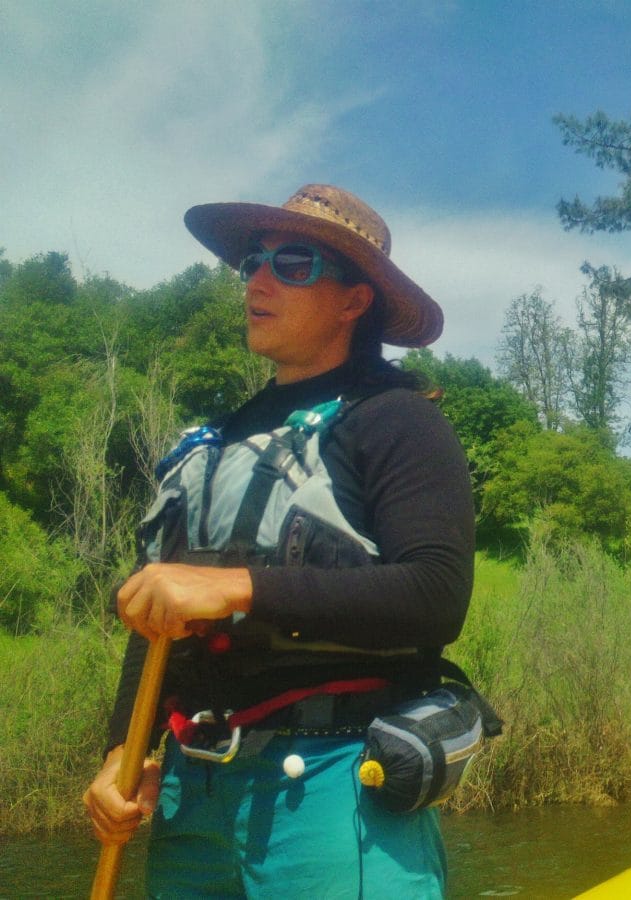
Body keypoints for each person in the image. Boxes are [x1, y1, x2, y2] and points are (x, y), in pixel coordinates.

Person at [83, 184, 476, 897]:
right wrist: (123, 751)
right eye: (253, 263)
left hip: (332, 788)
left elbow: (436, 595)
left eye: (293, 264)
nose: (257, 280)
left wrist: (237, 587)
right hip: (190, 796)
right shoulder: (214, 446)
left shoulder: (397, 420)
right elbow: (157, 622)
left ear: (354, 301)